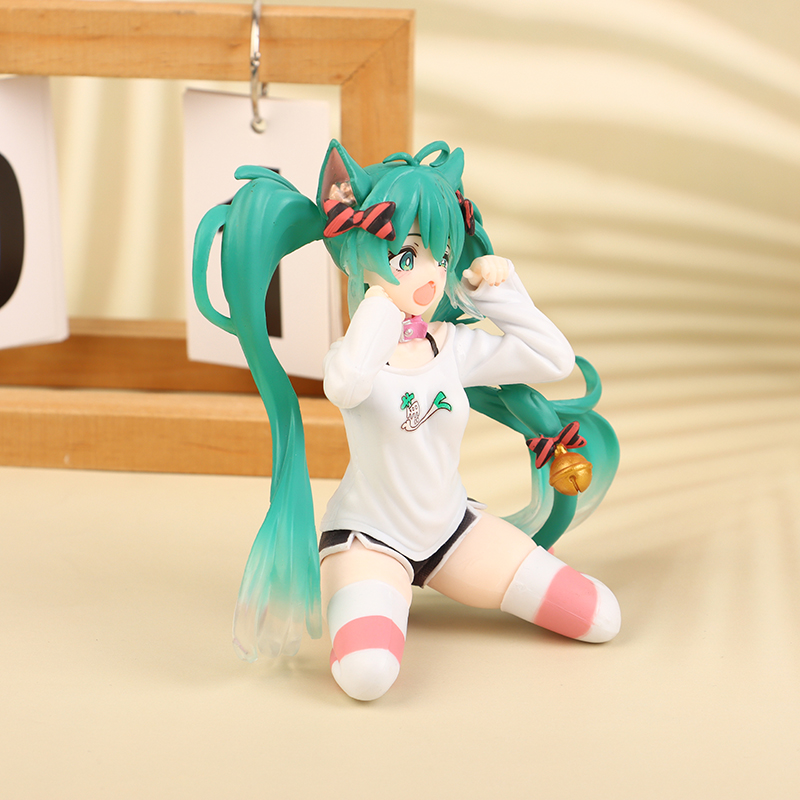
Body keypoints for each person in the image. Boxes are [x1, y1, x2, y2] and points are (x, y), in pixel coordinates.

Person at [193, 140, 621, 701]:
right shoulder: (352, 354)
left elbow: (553, 360)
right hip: (369, 542)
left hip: (453, 533)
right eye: (407, 256)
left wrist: (496, 293)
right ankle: (367, 593)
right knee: (367, 673)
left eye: (440, 256)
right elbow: (347, 384)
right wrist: (378, 299)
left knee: (599, 615)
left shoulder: (452, 347)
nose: (431, 277)